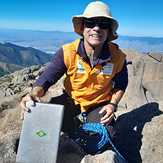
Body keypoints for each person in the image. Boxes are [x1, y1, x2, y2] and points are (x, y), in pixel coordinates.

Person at [20, 0, 128, 158]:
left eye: (103, 24)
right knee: (41, 120)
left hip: (98, 104)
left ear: (108, 30)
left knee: (105, 137)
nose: (96, 28)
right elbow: (48, 78)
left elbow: (121, 84)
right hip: (71, 99)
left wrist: (112, 104)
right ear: (83, 27)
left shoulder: (118, 57)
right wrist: (34, 94)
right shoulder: (67, 52)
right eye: (91, 23)